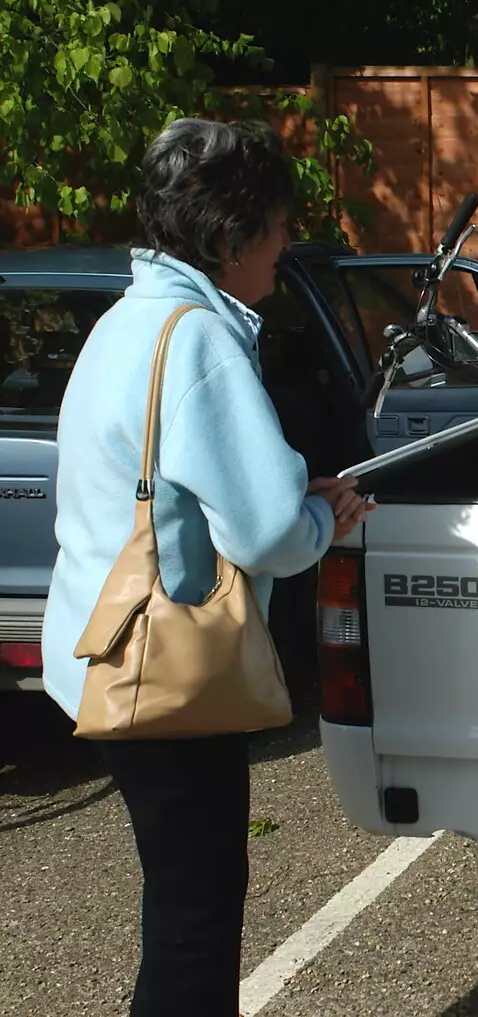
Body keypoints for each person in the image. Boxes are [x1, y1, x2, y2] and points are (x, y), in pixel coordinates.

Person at [40, 117, 372, 1017]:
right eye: (274, 228)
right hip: (171, 676)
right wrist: (319, 515)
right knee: (195, 922)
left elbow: (170, 477)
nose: (283, 247)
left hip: (105, 649)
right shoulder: (200, 340)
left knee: (177, 907)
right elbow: (266, 535)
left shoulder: (129, 320)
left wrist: (284, 489)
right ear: (229, 240)